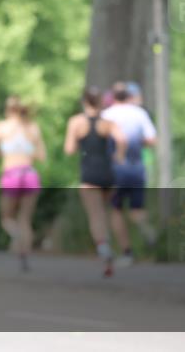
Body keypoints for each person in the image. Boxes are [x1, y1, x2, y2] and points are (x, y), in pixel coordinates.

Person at [64, 86, 127, 277]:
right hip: (107, 172)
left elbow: (69, 149)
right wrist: (119, 156)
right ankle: (111, 255)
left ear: (84, 102)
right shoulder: (108, 123)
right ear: (100, 102)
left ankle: (103, 247)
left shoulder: (76, 122)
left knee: (95, 216)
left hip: (89, 174)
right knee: (107, 213)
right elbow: (122, 139)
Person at [0, 95, 45, 272]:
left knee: (7, 218)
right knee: (25, 218)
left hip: (12, 174)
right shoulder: (33, 128)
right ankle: (25, 255)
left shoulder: (2, 127)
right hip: (30, 174)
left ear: (7, 110)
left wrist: (5, 154)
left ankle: (16, 237)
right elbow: (41, 155)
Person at [102, 81, 158, 266]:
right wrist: (137, 143)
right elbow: (151, 139)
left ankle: (127, 252)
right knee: (137, 210)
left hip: (115, 170)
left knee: (116, 210)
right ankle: (148, 232)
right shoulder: (139, 113)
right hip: (137, 169)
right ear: (128, 95)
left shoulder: (107, 115)